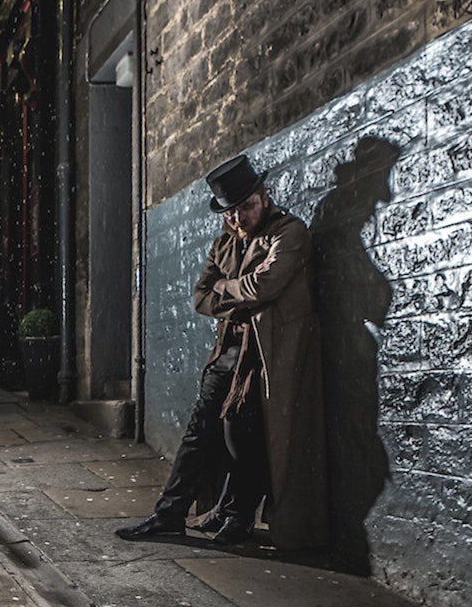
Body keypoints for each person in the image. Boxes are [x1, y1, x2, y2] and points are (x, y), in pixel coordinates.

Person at [115, 153, 327, 549]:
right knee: (199, 433)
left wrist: (228, 289)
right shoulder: (223, 245)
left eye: (246, 207)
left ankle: (240, 515)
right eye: (230, 212)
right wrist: (240, 293)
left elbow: (264, 285)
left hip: (266, 358)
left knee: (241, 435)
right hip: (227, 354)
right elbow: (200, 298)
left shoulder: (288, 233)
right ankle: (169, 515)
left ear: (264, 198)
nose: (237, 218)